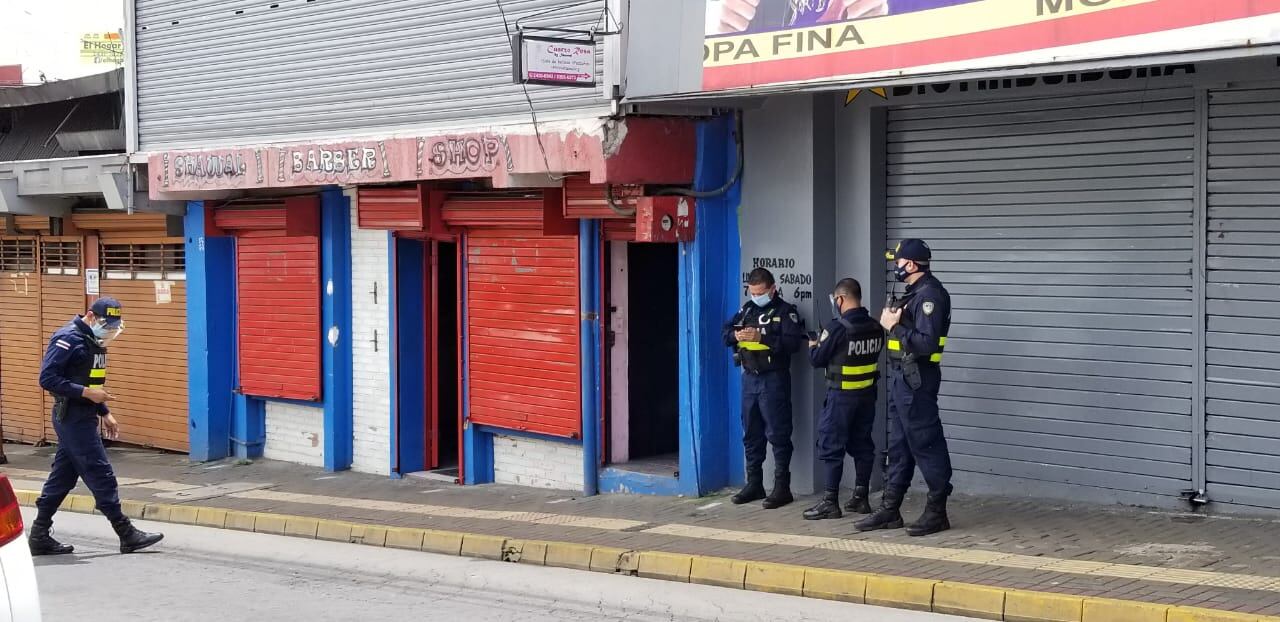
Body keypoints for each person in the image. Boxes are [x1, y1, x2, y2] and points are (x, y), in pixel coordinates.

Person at [29, 297, 164, 556]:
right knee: (100, 473)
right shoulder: (67, 339)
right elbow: (47, 378)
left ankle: (39, 535)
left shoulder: (94, 342)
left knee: (62, 478)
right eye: (107, 324)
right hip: (72, 418)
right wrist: (87, 395)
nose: (110, 330)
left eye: (114, 326)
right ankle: (126, 533)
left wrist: (105, 411)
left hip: (83, 416)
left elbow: (92, 382)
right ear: (91, 317)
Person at [855, 239, 954, 536]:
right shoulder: (914, 293)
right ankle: (890, 509)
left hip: (917, 379)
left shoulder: (930, 296)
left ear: (910, 264)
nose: (895, 267)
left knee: (926, 442)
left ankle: (937, 511)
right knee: (899, 446)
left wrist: (893, 327)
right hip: (903, 379)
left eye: (897, 262)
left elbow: (925, 344)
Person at [724, 268, 805, 509]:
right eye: (752, 292)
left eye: (760, 292)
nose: (756, 296)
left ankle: (782, 487)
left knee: (778, 434)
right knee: (751, 432)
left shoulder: (785, 312)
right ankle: (754, 483)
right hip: (750, 379)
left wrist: (762, 338)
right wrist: (737, 337)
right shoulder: (746, 310)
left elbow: (792, 344)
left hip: (774, 380)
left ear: (772, 289)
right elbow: (725, 333)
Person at [802, 278, 883, 520]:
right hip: (867, 397)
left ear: (840, 299)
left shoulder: (837, 328)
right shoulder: (875, 326)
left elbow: (817, 360)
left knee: (831, 445)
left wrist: (814, 345)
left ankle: (830, 502)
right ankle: (861, 498)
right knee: (862, 445)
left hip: (841, 398)